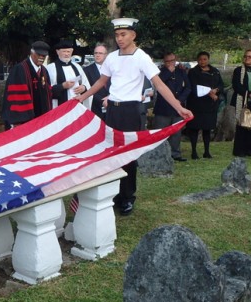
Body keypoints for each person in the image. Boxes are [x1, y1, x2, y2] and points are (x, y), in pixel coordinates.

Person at [75, 18, 193, 216]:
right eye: (117, 35)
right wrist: (82, 97)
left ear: (133, 35)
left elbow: (159, 85)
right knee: (111, 154)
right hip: (112, 110)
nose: (119, 39)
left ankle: (127, 197)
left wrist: (179, 107)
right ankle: (112, 194)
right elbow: (101, 82)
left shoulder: (141, 57)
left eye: (123, 35)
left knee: (128, 156)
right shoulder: (112, 57)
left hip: (131, 111)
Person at [1, 41, 53, 129]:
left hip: (41, 121)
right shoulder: (20, 70)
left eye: (44, 56)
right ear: (32, 53)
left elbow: (48, 94)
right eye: (39, 55)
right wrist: (18, 121)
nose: (41, 58)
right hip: (23, 122)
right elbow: (16, 98)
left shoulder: (44, 71)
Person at [186, 51, 225, 159]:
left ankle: (206, 151)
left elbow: (221, 84)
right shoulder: (193, 72)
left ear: (208, 60)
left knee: (207, 129)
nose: (202, 61)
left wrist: (216, 90)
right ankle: (194, 152)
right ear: (197, 60)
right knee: (194, 128)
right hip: (196, 104)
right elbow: (193, 86)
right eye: (200, 59)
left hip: (210, 106)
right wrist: (209, 92)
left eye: (205, 59)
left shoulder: (215, 71)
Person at [153, 52, 192, 161]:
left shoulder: (181, 71)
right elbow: (159, 85)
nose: (170, 63)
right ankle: (159, 154)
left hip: (178, 106)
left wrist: (179, 100)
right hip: (163, 107)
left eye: (172, 61)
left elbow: (188, 87)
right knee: (160, 132)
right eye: (167, 61)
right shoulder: (159, 72)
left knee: (176, 132)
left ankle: (175, 153)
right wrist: (169, 72)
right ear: (164, 61)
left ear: (176, 60)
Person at [47, 39, 91, 110]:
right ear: (57, 52)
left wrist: (84, 88)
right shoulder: (50, 68)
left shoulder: (77, 67)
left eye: (68, 51)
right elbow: (46, 90)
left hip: (77, 106)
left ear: (72, 51)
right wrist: (62, 86)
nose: (66, 54)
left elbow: (86, 83)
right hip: (59, 107)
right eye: (64, 51)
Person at [84, 43, 109, 120]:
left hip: (111, 105)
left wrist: (110, 98)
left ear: (106, 55)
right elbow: (87, 88)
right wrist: (102, 101)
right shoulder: (86, 70)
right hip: (95, 107)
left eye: (100, 53)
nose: (98, 55)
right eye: (96, 53)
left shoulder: (112, 69)